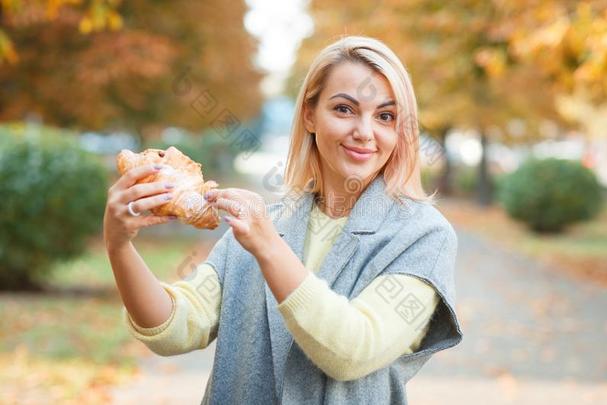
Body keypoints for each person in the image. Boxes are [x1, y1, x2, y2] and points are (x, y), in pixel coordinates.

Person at [104, 35, 463, 404]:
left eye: (385, 116)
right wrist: (118, 246)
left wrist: (269, 247)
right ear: (309, 115)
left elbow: (354, 351)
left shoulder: (423, 237)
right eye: (344, 109)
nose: (365, 132)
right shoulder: (263, 224)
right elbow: (173, 328)